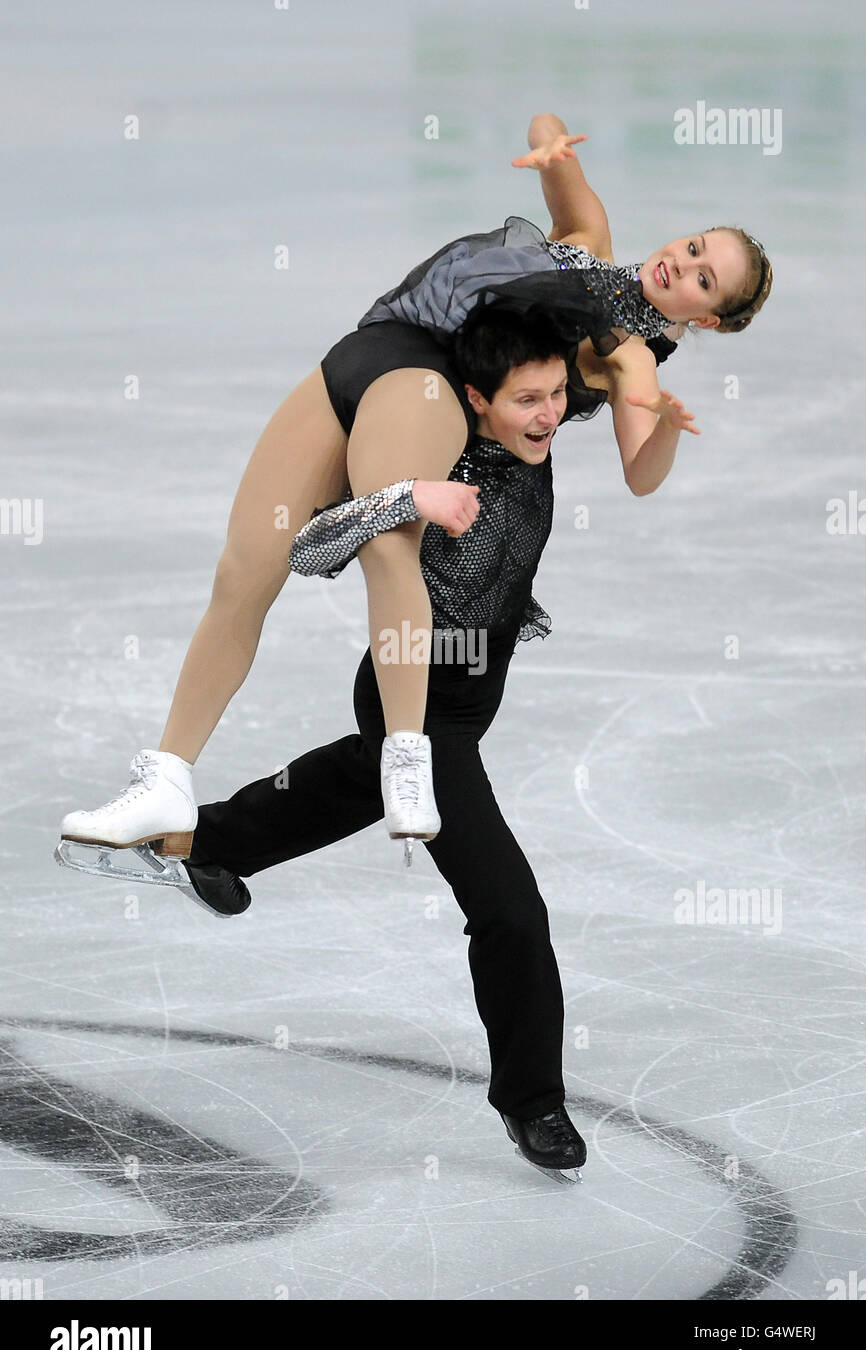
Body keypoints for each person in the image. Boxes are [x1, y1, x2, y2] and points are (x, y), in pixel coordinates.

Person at [57, 109, 771, 870]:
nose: (682, 264)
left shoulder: (632, 359)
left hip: (433, 390)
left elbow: (640, 474)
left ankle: (405, 753)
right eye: (694, 247)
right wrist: (551, 145)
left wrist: (660, 426)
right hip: (378, 342)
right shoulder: (588, 237)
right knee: (244, 572)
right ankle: (167, 776)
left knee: (387, 538)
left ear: (714, 322)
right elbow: (552, 143)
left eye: (704, 279)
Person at [176, 306, 692, 1178]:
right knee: (508, 907)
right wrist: (411, 496)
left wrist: (657, 405)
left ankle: (212, 841)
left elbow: (623, 366)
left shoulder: (539, 409)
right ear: (472, 401)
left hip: (477, 682)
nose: (547, 413)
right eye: (526, 399)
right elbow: (312, 545)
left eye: (557, 396)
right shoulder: (431, 456)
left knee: (359, 777)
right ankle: (535, 1102)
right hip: (414, 695)